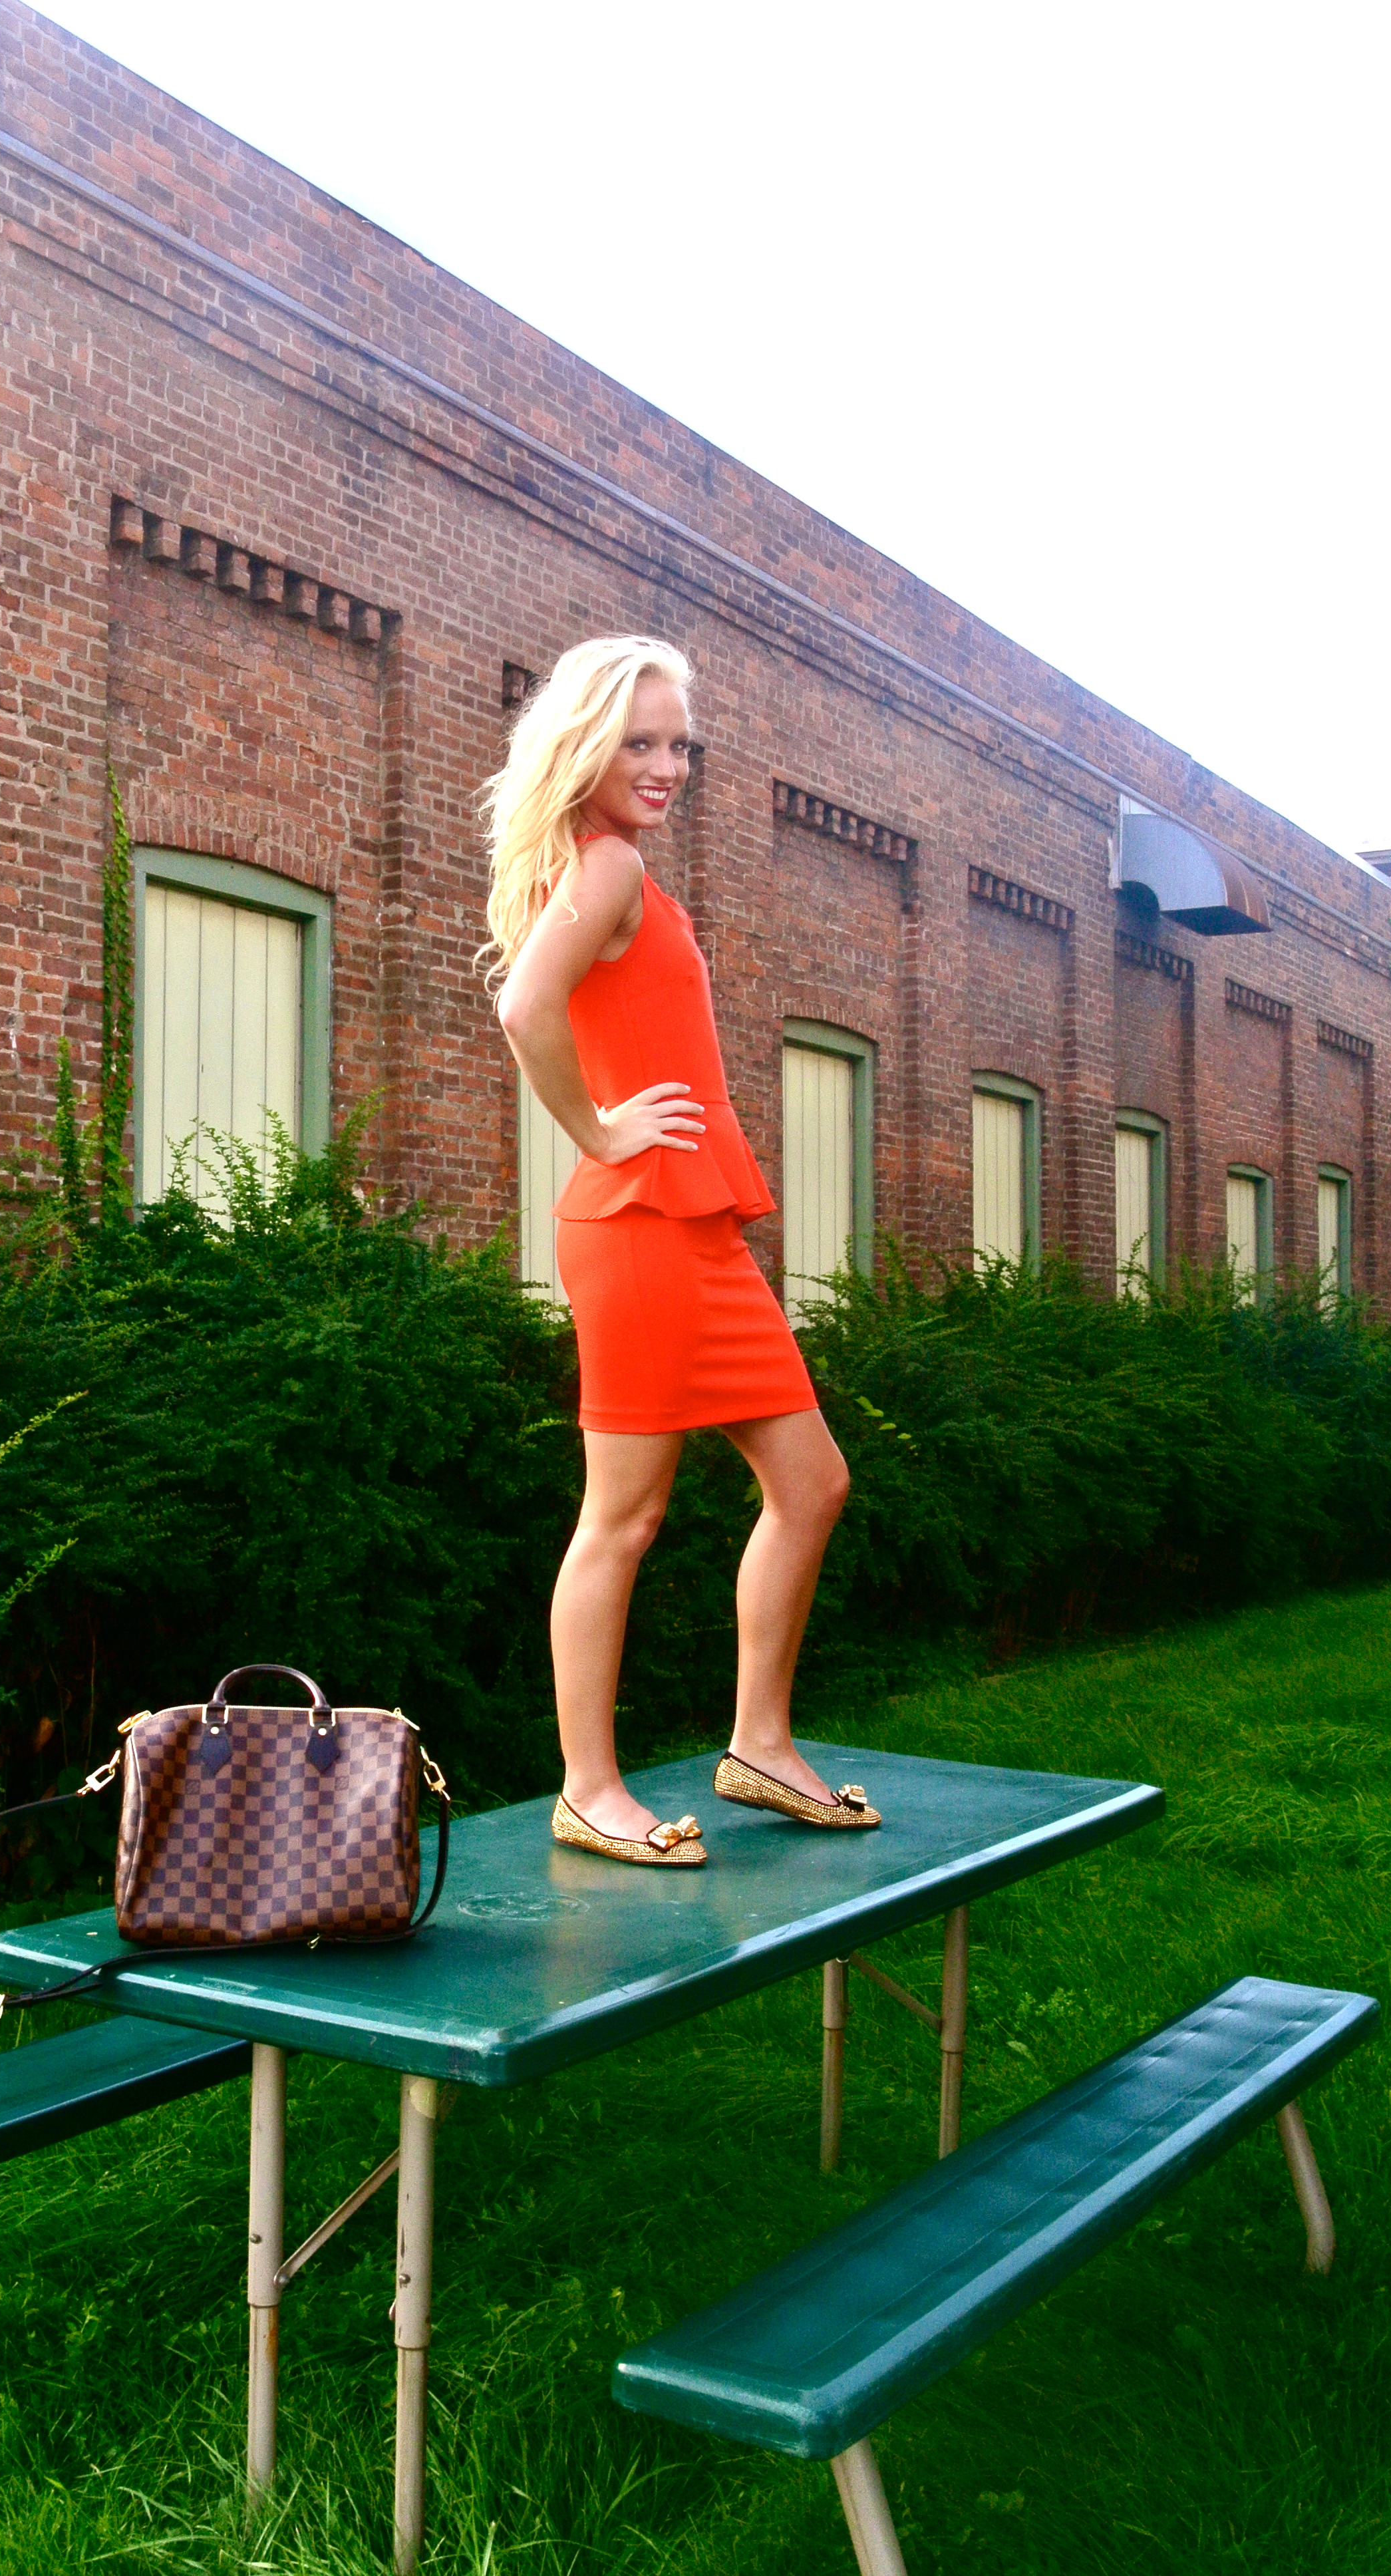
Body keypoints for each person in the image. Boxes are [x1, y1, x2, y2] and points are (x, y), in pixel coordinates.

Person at [483, 636, 876, 1867]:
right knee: (624, 1516)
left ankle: (760, 1742)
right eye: (638, 743)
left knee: (812, 1483)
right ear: (585, 746)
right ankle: (588, 1789)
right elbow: (522, 1009)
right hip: (639, 1229)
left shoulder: (614, 866)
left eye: (678, 744)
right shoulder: (602, 866)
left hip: (694, 1235)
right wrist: (600, 1130)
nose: (665, 766)